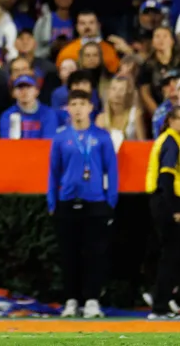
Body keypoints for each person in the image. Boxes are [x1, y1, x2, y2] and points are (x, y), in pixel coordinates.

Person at [48, 89, 118, 319]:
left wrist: (111, 202)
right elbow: (53, 173)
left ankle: (92, 300)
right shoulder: (60, 138)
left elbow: (112, 172)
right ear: (67, 108)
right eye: (74, 103)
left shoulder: (102, 137)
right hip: (67, 202)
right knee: (69, 255)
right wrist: (52, 202)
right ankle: (71, 300)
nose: (78, 108)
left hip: (96, 202)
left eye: (82, 103)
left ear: (91, 107)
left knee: (95, 255)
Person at [145, 106, 180, 319]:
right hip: (167, 202)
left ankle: (165, 299)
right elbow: (166, 180)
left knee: (172, 254)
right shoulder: (171, 142)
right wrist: (175, 209)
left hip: (163, 201)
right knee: (172, 255)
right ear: (171, 120)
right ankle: (161, 304)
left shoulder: (170, 140)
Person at [55, 11, 120, 74]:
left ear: (99, 25)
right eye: (82, 23)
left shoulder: (110, 50)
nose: (87, 26)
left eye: (91, 23)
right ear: (77, 27)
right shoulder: (67, 52)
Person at [0, 74, 58, 139]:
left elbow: (48, 141)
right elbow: (7, 142)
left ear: (37, 91)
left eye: (29, 87)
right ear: (13, 93)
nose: (24, 92)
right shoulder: (7, 115)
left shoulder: (48, 113)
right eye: (20, 87)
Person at [96, 76, 146, 143]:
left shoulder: (135, 114)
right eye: (114, 89)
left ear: (127, 93)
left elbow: (142, 144)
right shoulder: (101, 118)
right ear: (108, 92)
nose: (117, 94)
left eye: (121, 90)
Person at [152, 69, 180, 138]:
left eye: (175, 80)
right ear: (162, 90)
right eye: (166, 83)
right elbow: (158, 139)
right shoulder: (160, 113)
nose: (171, 85)